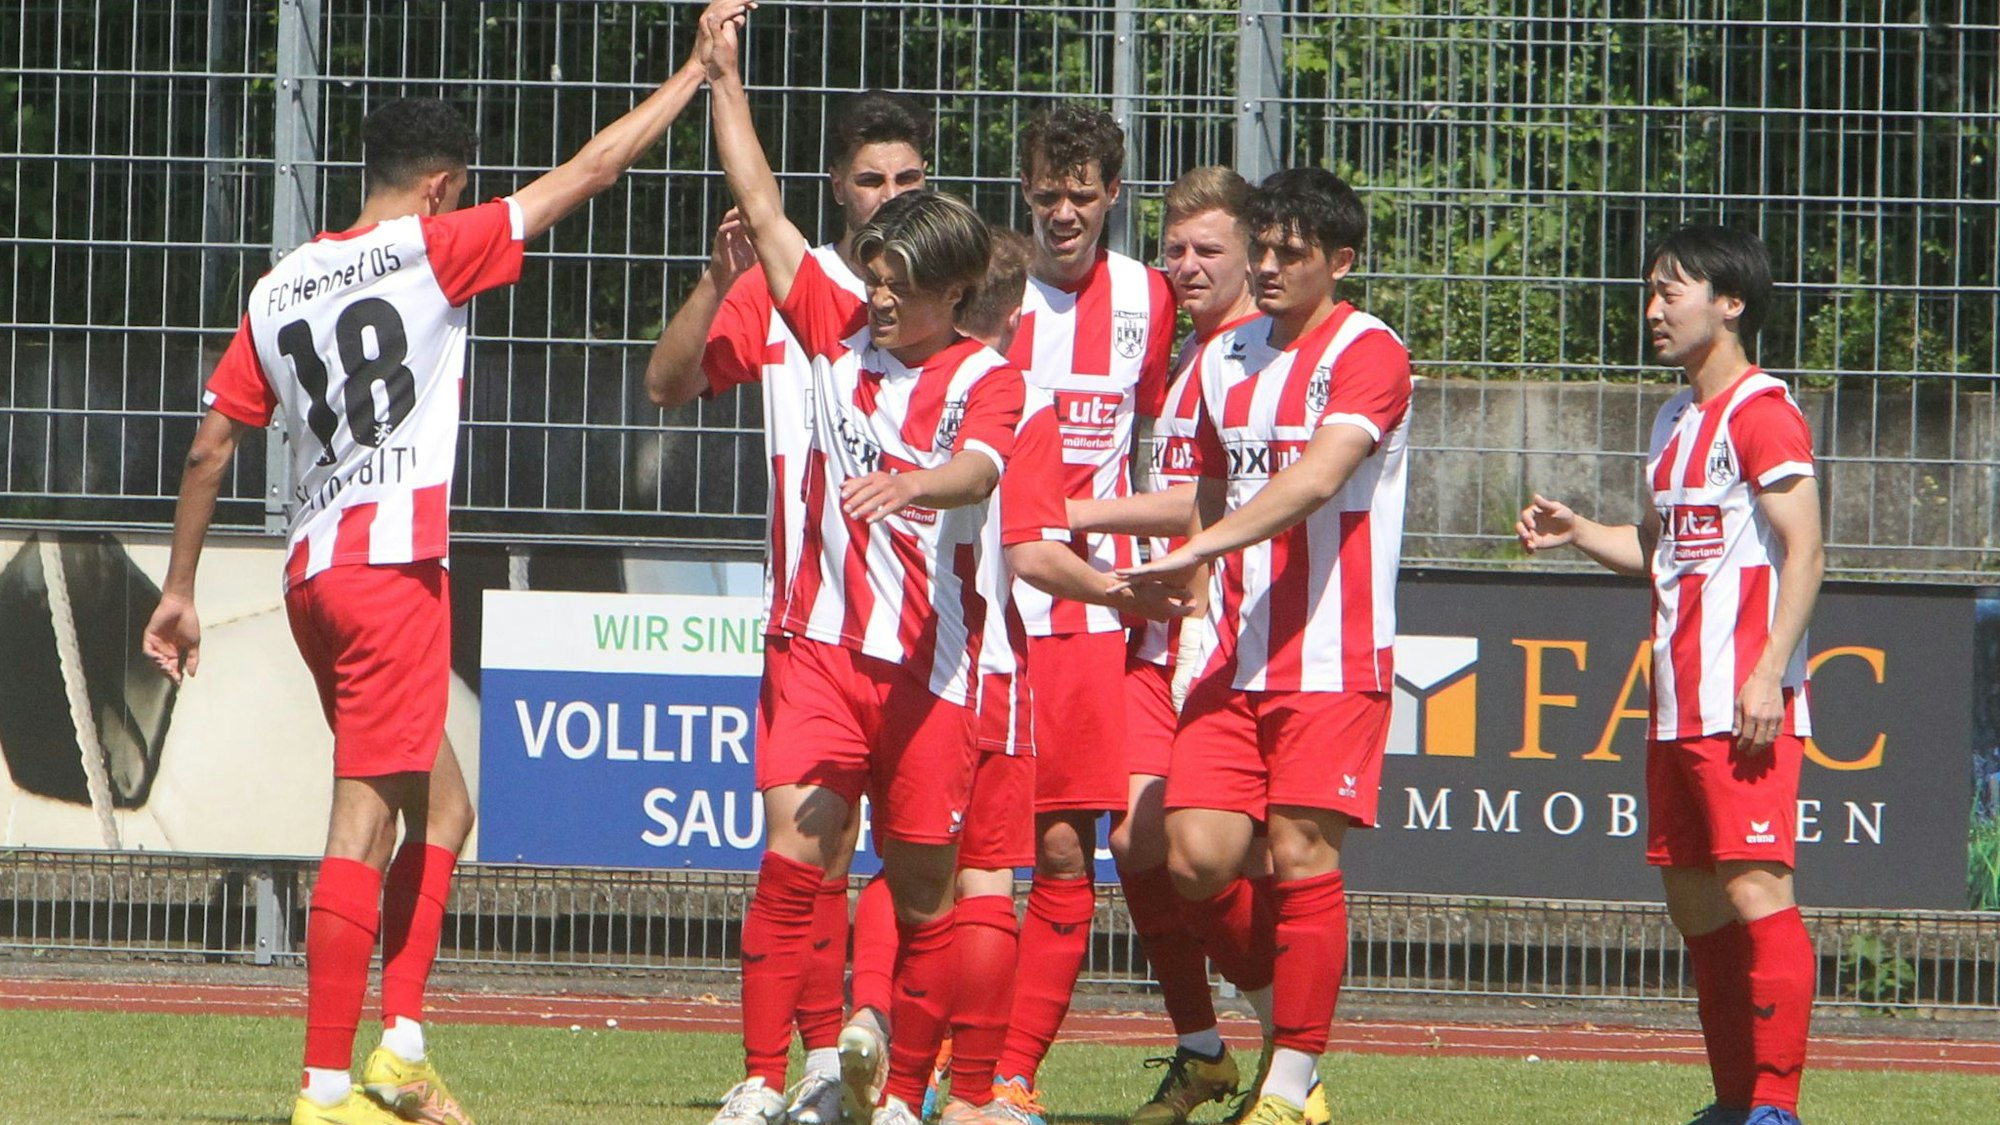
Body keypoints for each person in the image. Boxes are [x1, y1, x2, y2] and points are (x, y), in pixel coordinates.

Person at [140, 7, 748, 1123]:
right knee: (360, 825)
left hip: (313, 580)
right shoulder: (433, 246)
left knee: (447, 806)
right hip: (390, 574)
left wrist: (178, 590)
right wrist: (695, 73)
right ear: (439, 189)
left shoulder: (278, 287)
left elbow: (209, 444)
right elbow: (593, 170)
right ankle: (326, 1093)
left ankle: (402, 1046)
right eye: (461, 193)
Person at [700, 9, 1022, 1125]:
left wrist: (911, 484)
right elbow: (763, 209)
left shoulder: (987, 375)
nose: (874, 295)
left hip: (929, 671)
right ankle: (756, 1080)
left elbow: (980, 472)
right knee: (794, 854)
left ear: (949, 295)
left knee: (926, 892)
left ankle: (906, 1093)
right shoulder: (837, 325)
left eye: (895, 285)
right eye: (872, 277)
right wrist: (722, 77)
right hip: (826, 649)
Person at [644, 86, 933, 1125]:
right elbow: (667, 384)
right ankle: (807, 1062)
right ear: (838, 191)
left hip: (923, 633)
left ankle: (889, 1049)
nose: (889, 195)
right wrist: (715, 282)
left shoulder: (955, 307)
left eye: (907, 178)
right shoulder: (787, 291)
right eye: (870, 179)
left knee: (917, 861)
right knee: (798, 847)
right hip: (809, 619)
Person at [1117, 166, 1413, 1125]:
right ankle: (1290, 1033)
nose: (1274, 266)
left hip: (1333, 652)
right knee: (1191, 854)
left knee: (1299, 853)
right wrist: (1183, 566)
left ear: (1341, 262)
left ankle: (1289, 1085)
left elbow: (1318, 478)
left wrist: (1203, 542)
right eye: (1268, 247)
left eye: (1295, 253)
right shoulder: (1227, 353)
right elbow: (1207, 484)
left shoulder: (1372, 351)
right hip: (1231, 652)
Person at [1516, 225, 1820, 1125]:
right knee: (1696, 907)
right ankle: (1734, 1101)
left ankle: (1777, 1104)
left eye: (1672, 290)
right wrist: (1580, 534)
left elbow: (1805, 552)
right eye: (1651, 291)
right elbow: (1657, 553)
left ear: (1730, 303)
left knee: (1757, 889)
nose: (1653, 308)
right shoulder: (1674, 417)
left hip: (1743, 703)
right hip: (1677, 706)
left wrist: (1769, 674)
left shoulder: (1764, 409)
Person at [1065, 165, 1280, 1125]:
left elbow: (1209, 507)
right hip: (1162, 629)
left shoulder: (1256, 355)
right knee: (1135, 839)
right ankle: (1203, 1049)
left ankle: (1289, 1044)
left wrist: (1073, 513)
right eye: (1176, 249)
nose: (1188, 267)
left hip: (1229, 637)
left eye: (1210, 250)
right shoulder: (1194, 349)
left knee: (1219, 858)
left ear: (1252, 255)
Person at [991, 101, 1178, 1123]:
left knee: (1070, 851)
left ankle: (1012, 1075)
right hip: (981, 602)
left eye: (1081, 194)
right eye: (1046, 193)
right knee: (953, 846)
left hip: (1088, 616)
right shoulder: (989, 293)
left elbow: (1150, 437)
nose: (1062, 212)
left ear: (1112, 196)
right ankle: (927, 1063)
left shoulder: (1148, 300)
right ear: (1025, 192)